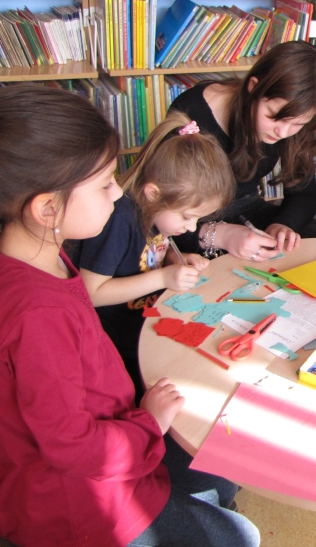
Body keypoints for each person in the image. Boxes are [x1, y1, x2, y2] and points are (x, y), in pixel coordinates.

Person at [0, 85, 259, 547]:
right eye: (104, 184)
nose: (119, 191)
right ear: (48, 208)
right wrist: (149, 425)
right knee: (242, 537)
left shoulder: (43, 256)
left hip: (115, 430)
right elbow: (74, 449)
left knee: (221, 463)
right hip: (73, 502)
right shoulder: (37, 315)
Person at [79, 111, 236, 399]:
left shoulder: (158, 213)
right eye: (187, 217)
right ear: (153, 194)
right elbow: (91, 293)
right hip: (116, 345)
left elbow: (145, 258)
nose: (192, 228)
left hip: (147, 324)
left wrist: (177, 259)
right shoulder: (119, 219)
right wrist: (163, 277)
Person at [169, 40, 316, 263]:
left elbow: (304, 194)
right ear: (253, 87)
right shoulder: (193, 113)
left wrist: (283, 224)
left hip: (249, 213)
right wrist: (222, 235)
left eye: (298, 124)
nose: (283, 132)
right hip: (191, 225)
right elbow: (161, 216)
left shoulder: (294, 117)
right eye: (274, 116)